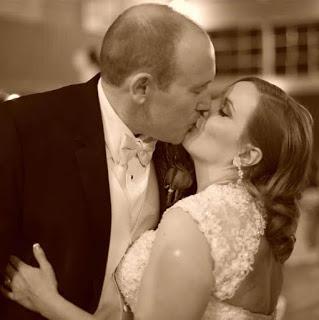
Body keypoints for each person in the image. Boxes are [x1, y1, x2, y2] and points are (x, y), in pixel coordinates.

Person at [1, 77, 313, 320]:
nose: (205, 107)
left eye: (224, 111)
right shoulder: (257, 219)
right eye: (215, 97)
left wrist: (47, 302)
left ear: (247, 155)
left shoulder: (197, 221)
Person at [0, 4, 215, 320]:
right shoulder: (21, 129)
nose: (207, 105)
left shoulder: (192, 149)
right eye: (198, 89)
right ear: (142, 87)